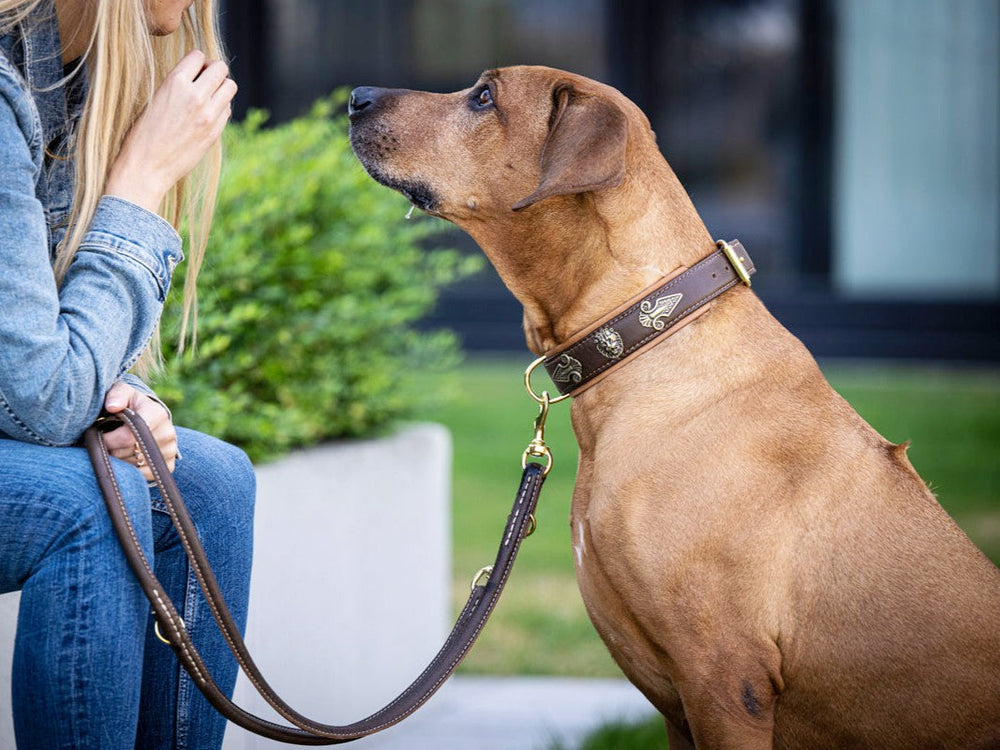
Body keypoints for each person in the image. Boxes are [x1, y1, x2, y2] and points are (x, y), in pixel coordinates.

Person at [0, 0, 254, 747]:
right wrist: (138, 183)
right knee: (85, 504)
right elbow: (42, 400)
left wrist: (119, 402)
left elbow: (30, 347)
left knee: (211, 486)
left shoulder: (69, 82)